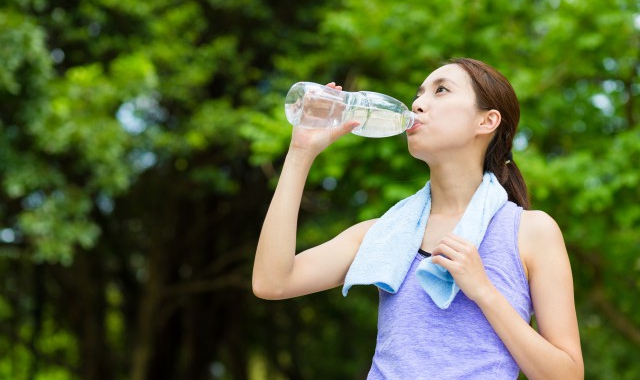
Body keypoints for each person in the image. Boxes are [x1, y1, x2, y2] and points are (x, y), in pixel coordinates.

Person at [252, 58, 584, 379]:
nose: (419, 104)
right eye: (419, 93)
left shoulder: (530, 231)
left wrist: (484, 291)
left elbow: (567, 375)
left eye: (441, 91)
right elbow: (272, 282)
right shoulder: (384, 232)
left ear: (487, 121)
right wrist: (301, 152)